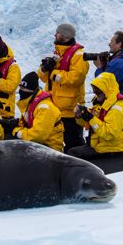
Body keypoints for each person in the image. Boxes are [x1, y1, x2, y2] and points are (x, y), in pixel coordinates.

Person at [37, 23, 89, 152]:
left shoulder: (78, 55)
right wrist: (44, 69)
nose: (55, 35)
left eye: (57, 33)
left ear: (65, 35)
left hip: (70, 110)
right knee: (53, 142)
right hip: (53, 108)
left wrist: (53, 74)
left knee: (73, 143)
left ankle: (81, 168)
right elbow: (43, 78)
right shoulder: (56, 53)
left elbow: (76, 78)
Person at [69, 72, 123, 158]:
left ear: (106, 90)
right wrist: (80, 115)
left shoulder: (117, 108)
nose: (96, 94)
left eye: (98, 91)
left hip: (113, 148)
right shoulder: (101, 105)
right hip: (100, 146)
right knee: (72, 150)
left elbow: (109, 134)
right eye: (95, 91)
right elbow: (88, 124)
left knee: (73, 153)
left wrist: (90, 118)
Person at [9, 71, 64, 152]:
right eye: (20, 88)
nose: (21, 91)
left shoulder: (45, 108)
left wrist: (17, 132)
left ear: (31, 91)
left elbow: (38, 135)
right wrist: (14, 124)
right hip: (39, 144)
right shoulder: (31, 102)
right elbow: (26, 122)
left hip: (50, 148)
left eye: (24, 89)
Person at [94, 30, 123, 113]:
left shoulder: (117, 63)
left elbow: (102, 84)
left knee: (110, 125)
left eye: (112, 41)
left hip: (117, 101)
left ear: (119, 44)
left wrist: (99, 68)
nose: (109, 44)